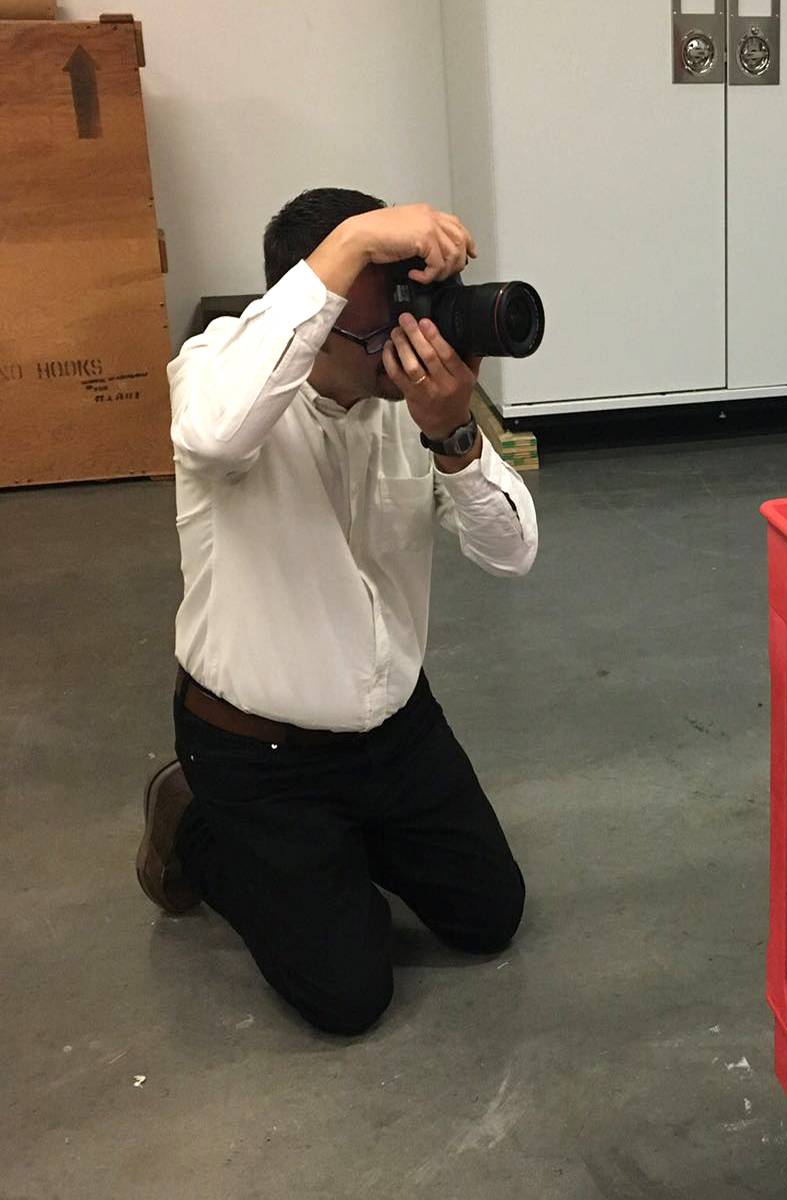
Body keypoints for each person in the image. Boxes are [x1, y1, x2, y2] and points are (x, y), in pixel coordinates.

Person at [135, 188, 538, 1035]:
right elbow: (211, 434)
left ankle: (338, 853)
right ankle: (196, 826)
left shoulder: (410, 407)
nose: (404, 345)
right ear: (309, 312)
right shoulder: (217, 371)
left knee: (490, 917)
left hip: (395, 733)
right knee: (349, 995)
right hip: (258, 751)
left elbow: (512, 553)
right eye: (374, 322)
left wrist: (455, 435)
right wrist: (354, 238)